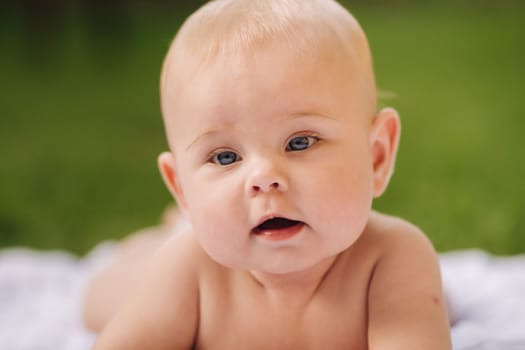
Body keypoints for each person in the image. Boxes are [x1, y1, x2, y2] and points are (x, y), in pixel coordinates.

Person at [86, 0, 452, 348]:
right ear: (181, 187)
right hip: (164, 261)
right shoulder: (188, 270)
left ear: (376, 156)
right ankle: (162, 232)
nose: (264, 178)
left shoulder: (391, 259)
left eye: (299, 142)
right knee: (104, 297)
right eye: (226, 156)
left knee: (441, 301)